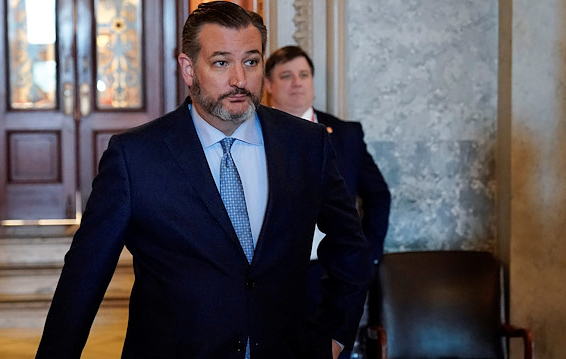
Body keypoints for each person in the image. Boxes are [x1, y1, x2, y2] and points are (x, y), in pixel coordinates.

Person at [35, 2, 371, 359]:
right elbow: (84, 277)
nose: (240, 79)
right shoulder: (135, 157)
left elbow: (349, 244)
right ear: (188, 68)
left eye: (251, 61)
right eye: (222, 62)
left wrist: (334, 335)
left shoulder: (307, 144)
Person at [265, 46, 391, 358]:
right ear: (268, 85)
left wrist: (368, 255)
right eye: (286, 76)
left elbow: (378, 195)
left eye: (304, 75)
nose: (297, 82)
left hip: (331, 274)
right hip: (271, 276)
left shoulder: (346, 134)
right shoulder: (252, 133)